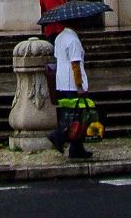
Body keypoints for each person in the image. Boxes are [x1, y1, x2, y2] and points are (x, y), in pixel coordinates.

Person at [47, 23, 94, 160]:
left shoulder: (59, 37)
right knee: (77, 117)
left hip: (62, 82)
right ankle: (58, 135)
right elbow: (75, 65)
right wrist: (79, 86)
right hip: (72, 84)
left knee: (72, 115)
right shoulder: (73, 40)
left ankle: (76, 148)